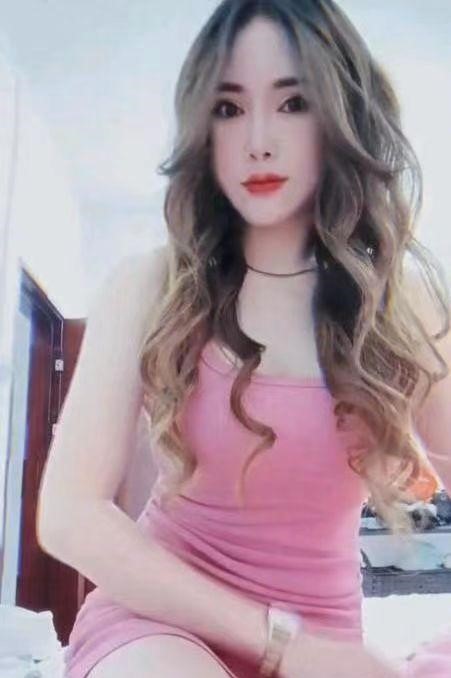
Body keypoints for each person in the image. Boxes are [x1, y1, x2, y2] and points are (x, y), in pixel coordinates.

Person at [36, 1, 451, 676]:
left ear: (341, 118)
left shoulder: (401, 305)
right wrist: (281, 642)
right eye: (229, 108)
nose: (258, 139)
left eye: (292, 103)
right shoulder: (151, 284)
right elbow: (70, 514)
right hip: (159, 626)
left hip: (328, 647)